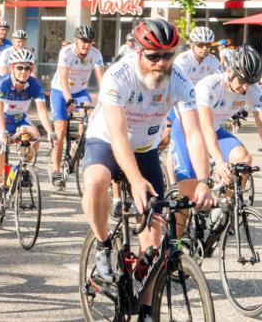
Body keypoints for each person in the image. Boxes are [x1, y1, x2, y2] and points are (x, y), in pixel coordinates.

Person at [82, 19, 214, 321]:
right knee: (96, 181)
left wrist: (203, 181)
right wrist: (135, 180)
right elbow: (117, 135)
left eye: (168, 55)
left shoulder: (179, 79)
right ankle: (103, 245)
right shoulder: (119, 75)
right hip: (107, 141)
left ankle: (143, 309)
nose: (161, 62)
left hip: (144, 149)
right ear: (138, 52)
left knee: (155, 242)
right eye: (153, 55)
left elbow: (194, 133)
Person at [172, 45, 262, 194]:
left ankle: (228, 208)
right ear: (229, 71)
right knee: (189, 194)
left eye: (250, 82)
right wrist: (219, 161)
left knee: (243, 159)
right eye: (242, 81)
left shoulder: (253, 90)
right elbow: (206, 128)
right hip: (188, 131)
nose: (245, 87)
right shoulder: (209, 86)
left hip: (214, 130)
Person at [0, 49, 55, 224]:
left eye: (27, 68)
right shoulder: (2, 84)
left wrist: (51, 132)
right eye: (20, 67)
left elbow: (41, 111)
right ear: (12, 68)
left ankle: (23, 167)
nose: (24, 71)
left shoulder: (35, 85)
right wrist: (1, 134)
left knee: (35, 135)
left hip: (19, 120)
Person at [50, 25, 104, 189]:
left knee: (90, 118)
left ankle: (77, 144)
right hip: (61, 91)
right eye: (83, 41)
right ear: (76, 41)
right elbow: (64, 79)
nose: (86, 45)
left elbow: (103, 82)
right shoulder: (66, 52)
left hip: (80, 91)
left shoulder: (95, 54)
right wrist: (68, 100)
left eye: (90, 42)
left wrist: (106, 101)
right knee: (60, 130)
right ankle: (56, 169)